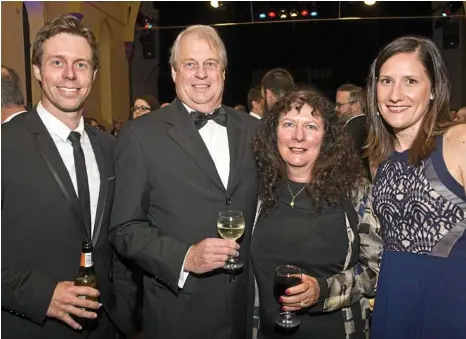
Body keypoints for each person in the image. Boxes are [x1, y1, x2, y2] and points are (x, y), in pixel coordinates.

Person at [110, 24, 259, 339]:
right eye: (190, 64)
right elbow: (125, 228)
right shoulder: (140, 136)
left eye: (211, 64)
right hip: (179, 315)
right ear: (175, 72)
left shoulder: (254, 131)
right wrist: (185, 257)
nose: (201, 74)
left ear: (224, 72)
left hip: (247, 311)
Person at [1, 15, 136, 339]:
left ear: (94, 74)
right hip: (33, 327)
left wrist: (124, 307)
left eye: (81, 64)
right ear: (37, 70)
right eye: (57, 62)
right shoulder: (6, 145)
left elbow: (120, 236)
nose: (70, 75)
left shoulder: (111, 148)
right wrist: (42, 296)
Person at [250, 88, 382, 339]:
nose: (298, 136)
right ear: (273, 132)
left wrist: (322, 290)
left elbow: (375, 271)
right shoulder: (257, 191)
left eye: (311, 126)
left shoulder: (355, 192)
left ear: (327, 136)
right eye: (288, 124)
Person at [365, 36, 466, 338]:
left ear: (434, 89)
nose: (395, 94)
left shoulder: (458, 140)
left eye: (410, 81)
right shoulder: (378, 159)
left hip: (452, 303)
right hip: (393, 301)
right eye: (386, 81)